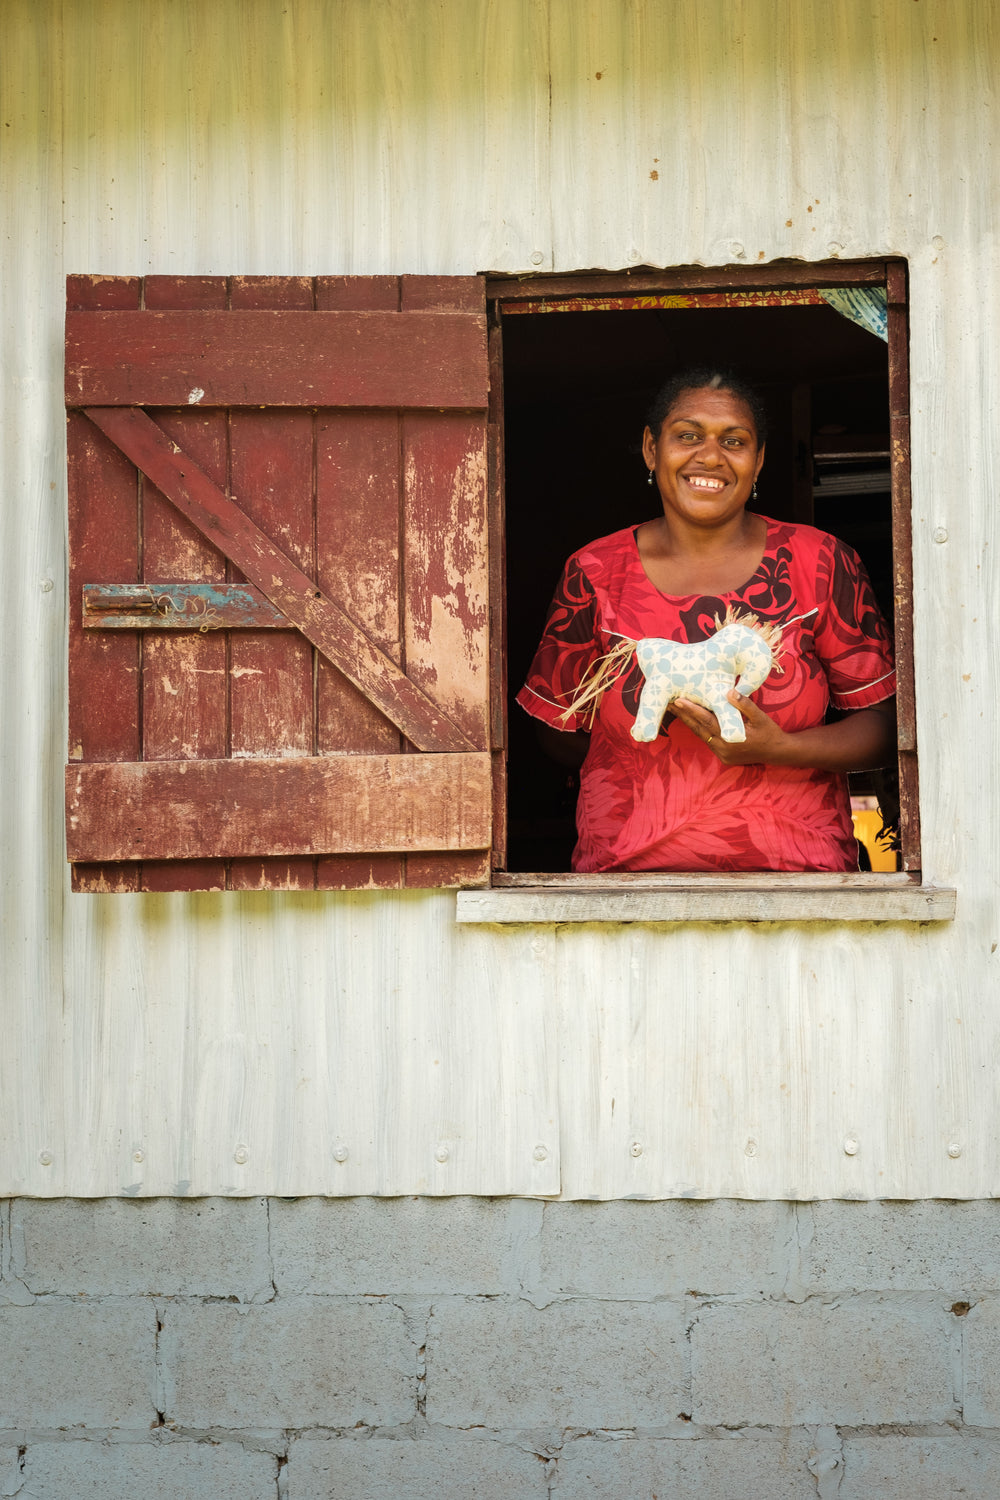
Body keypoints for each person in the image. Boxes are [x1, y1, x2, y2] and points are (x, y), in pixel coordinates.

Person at [516, 368, 897, 872]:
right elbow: (555, 725)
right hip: (624, 879)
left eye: (733, 441)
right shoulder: (594, 572)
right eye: (688, 435)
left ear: (758, 460)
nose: (710, 456)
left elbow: (883, 727)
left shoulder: (821, 563)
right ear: (652, 449)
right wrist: (644, 752)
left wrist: (779, 748)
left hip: (799, 881)